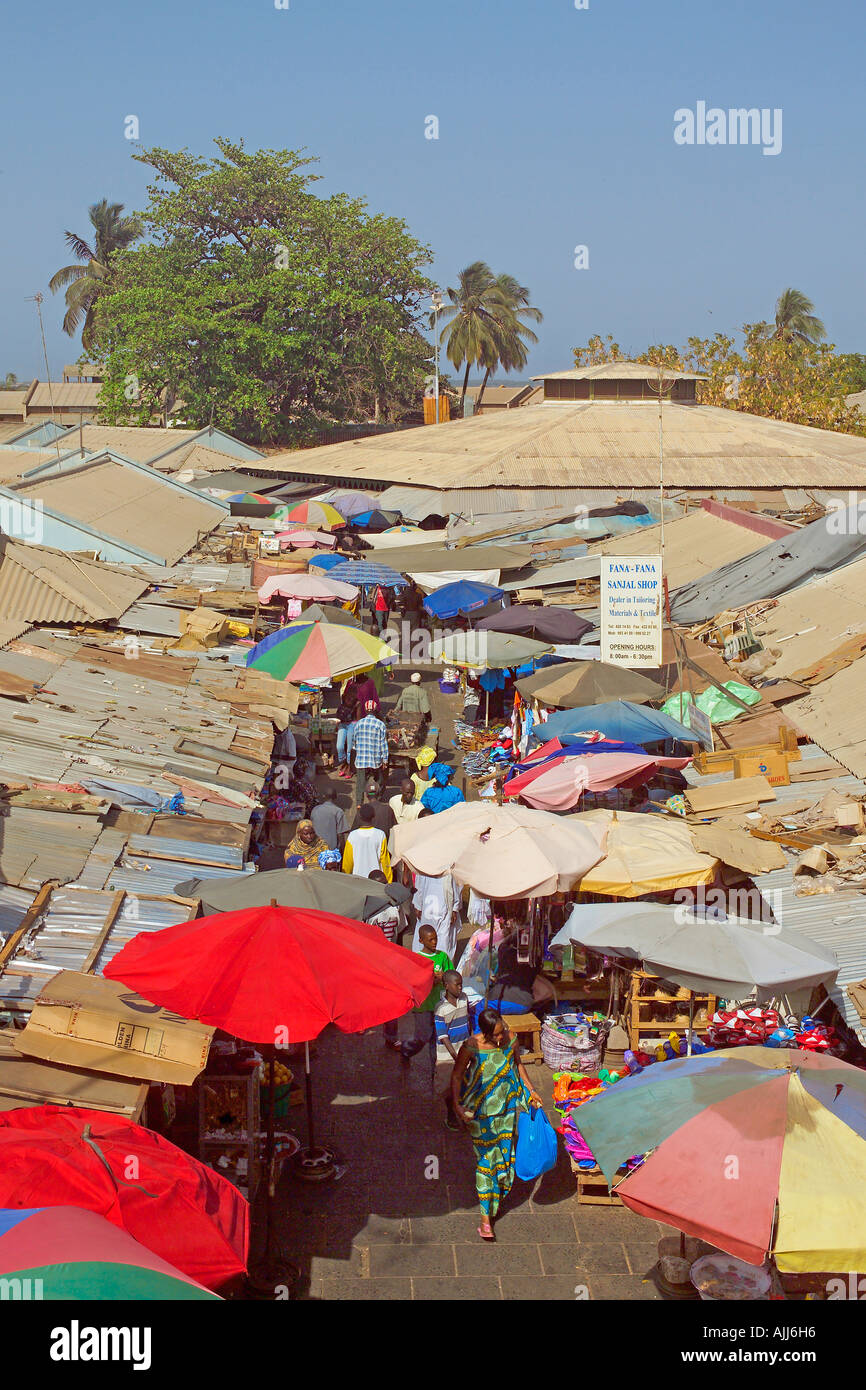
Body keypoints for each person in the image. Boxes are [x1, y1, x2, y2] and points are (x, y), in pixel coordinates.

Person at [449, 1007, 543, 1240]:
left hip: (507, 1110)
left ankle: (493, 1201)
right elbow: (457, 1075)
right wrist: (457, 1106)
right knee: (486, 1163)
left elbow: (518, 1065)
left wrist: (531, 1090)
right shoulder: (472, 1045)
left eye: (503, 1031)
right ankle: (485, 1219)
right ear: (485, 1033)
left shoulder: (511, 1040)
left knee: (504, 1159)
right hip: (479, 1115)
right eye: (497, 1034)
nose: (502, 1037)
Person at [399, 925, 453, 1079]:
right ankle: (407, 1049)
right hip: (423, 1006)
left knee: (437, 1038)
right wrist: (430, 981)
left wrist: (444, 977)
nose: (435, 942)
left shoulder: (442, 957)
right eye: (431, 939)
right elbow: (412, 983)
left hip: (439, 1005)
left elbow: (452, 975)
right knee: (422, 1037)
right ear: (421, 940)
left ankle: (434, 1070)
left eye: (436, 938)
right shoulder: (417, 960)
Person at [342, 803, 392, 881]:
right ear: (373, 816)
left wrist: (345, 880)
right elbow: (385, 862)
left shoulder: (352, 836)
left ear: (360, 816)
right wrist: (388, 881)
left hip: (357, 880)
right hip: (376, 880)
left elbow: (347, 863)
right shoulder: (380, 834)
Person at [352, 701, 389, 803]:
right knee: (380, 780)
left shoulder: (359, 724)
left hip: (361, 760)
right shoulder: (380, 725)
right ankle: (378, 798)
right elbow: (383, 744)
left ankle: (359, 804)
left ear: (365, 710)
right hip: (375, 760)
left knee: (360, 783)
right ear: (375, 710)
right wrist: (385, 760)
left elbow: (354, 743)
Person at [334, 682, 359, 779]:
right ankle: (344, 763)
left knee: (349, 748)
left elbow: (358, 719)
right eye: (349, 694)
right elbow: (338, 714)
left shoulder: (357, 704)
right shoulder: (343, 701)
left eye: (353, 695)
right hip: (342, 724)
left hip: (352, 725)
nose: (350, 697)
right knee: (339, 746)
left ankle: (349, 767)